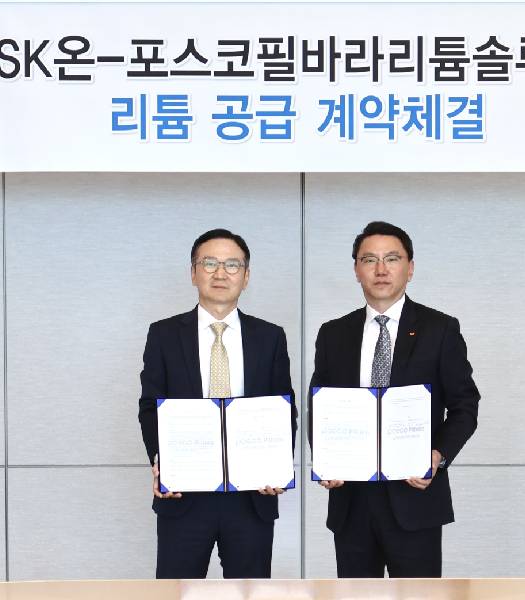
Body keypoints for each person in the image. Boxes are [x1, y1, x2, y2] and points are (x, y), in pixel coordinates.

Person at [308, 221, 479, 578]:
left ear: (410, 268)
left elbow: (465, 405)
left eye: (392, 258)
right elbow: (318, 407)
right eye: (369, 259)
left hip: (415, 498)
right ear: (357, 270)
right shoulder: (334, 333)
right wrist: (325, 458)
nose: (381, 269)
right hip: (352, 500)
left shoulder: (440, 329)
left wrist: (438, 455)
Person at [139, 228, 296, 579]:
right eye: (209, 263)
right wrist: (161, 462)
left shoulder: (270, 336)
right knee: (177, 593)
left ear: (246, 276)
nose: (221, 273)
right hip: (184, 493)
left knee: (251, 593)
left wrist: (278, 467)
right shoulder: (164, 334)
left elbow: (284, 408)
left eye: (232, 265)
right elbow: (150, 406)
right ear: (193, 273)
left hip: (251, 496)